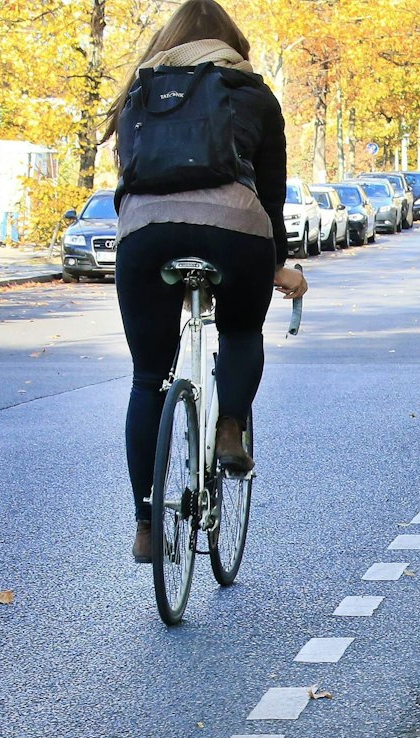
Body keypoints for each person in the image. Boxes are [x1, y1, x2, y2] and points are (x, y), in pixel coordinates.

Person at [106, 0, 307, 563]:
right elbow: (270, 195)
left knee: (147, 379)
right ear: (231, 44)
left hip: (145, 234)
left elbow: (128, 177)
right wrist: (275, 264)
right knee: (240, 332)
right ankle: (229, 428)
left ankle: (147, 525)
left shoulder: (139, 91)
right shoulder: (252, 92)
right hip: (234, 231)